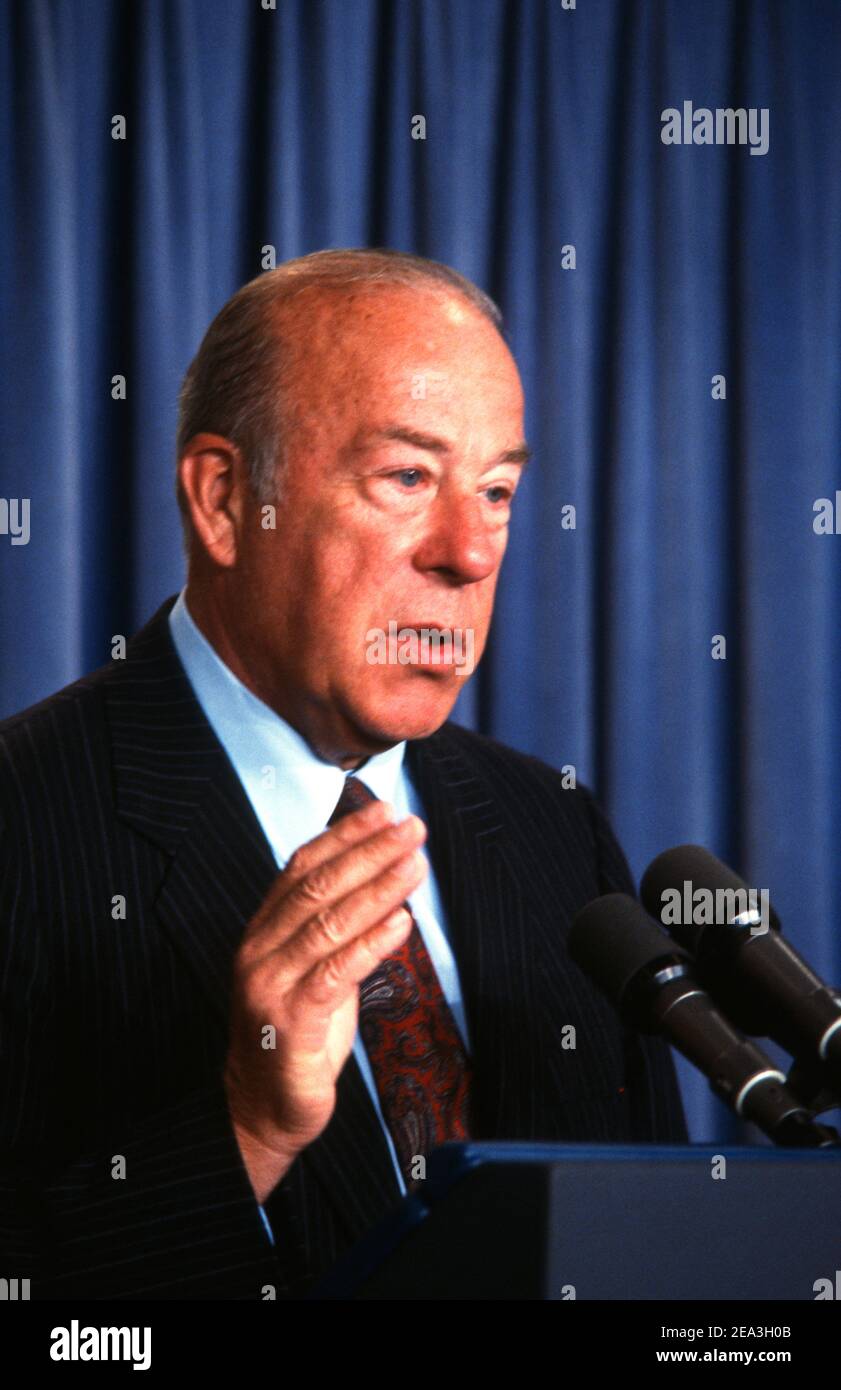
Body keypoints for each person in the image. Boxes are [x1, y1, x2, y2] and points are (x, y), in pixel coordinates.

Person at [0, 249, 686, 1300]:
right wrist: (248, 1129)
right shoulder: (25, 819)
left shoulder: (551, 827)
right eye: (407, 477)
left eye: (498, 489)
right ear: (226, 501)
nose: (470, 551)